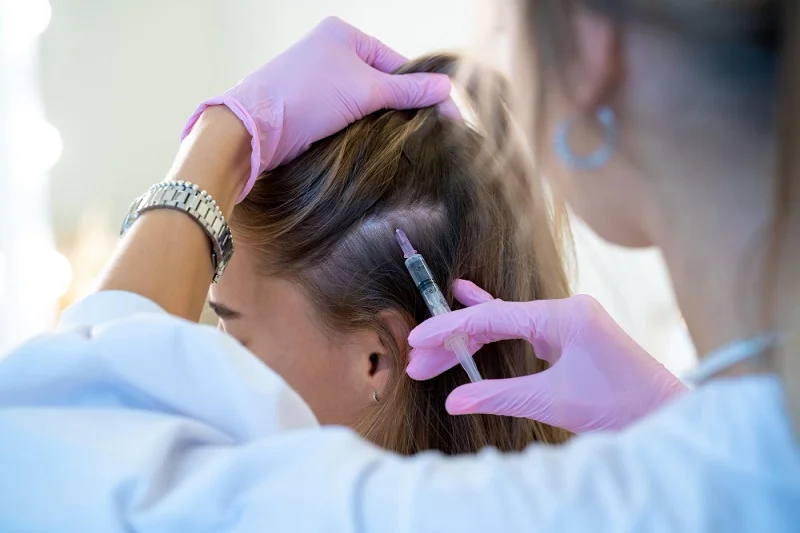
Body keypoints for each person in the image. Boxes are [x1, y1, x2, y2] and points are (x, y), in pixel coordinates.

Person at [0, 1, 798, 531]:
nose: (204, 358)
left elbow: (42, 453)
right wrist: (676, 418)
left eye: (229, 333)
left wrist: (226, 137)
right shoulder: (733, 478)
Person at [216, 53, 572, 453]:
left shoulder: (262, 487)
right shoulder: (568, 479)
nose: (206, 358)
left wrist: (220, 131)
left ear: (376, 361)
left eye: (237, 340)